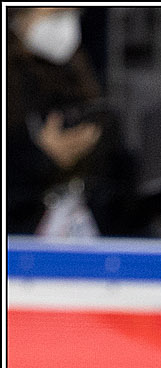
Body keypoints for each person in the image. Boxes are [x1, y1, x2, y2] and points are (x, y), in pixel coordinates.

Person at [6, 5, 143, 235]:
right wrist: (43, 157)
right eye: (55, 14)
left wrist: (93, 145)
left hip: (85, 231)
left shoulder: (78, 73)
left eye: (72, 14)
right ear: (19, 17)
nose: (66, 24)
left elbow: (121, 184)